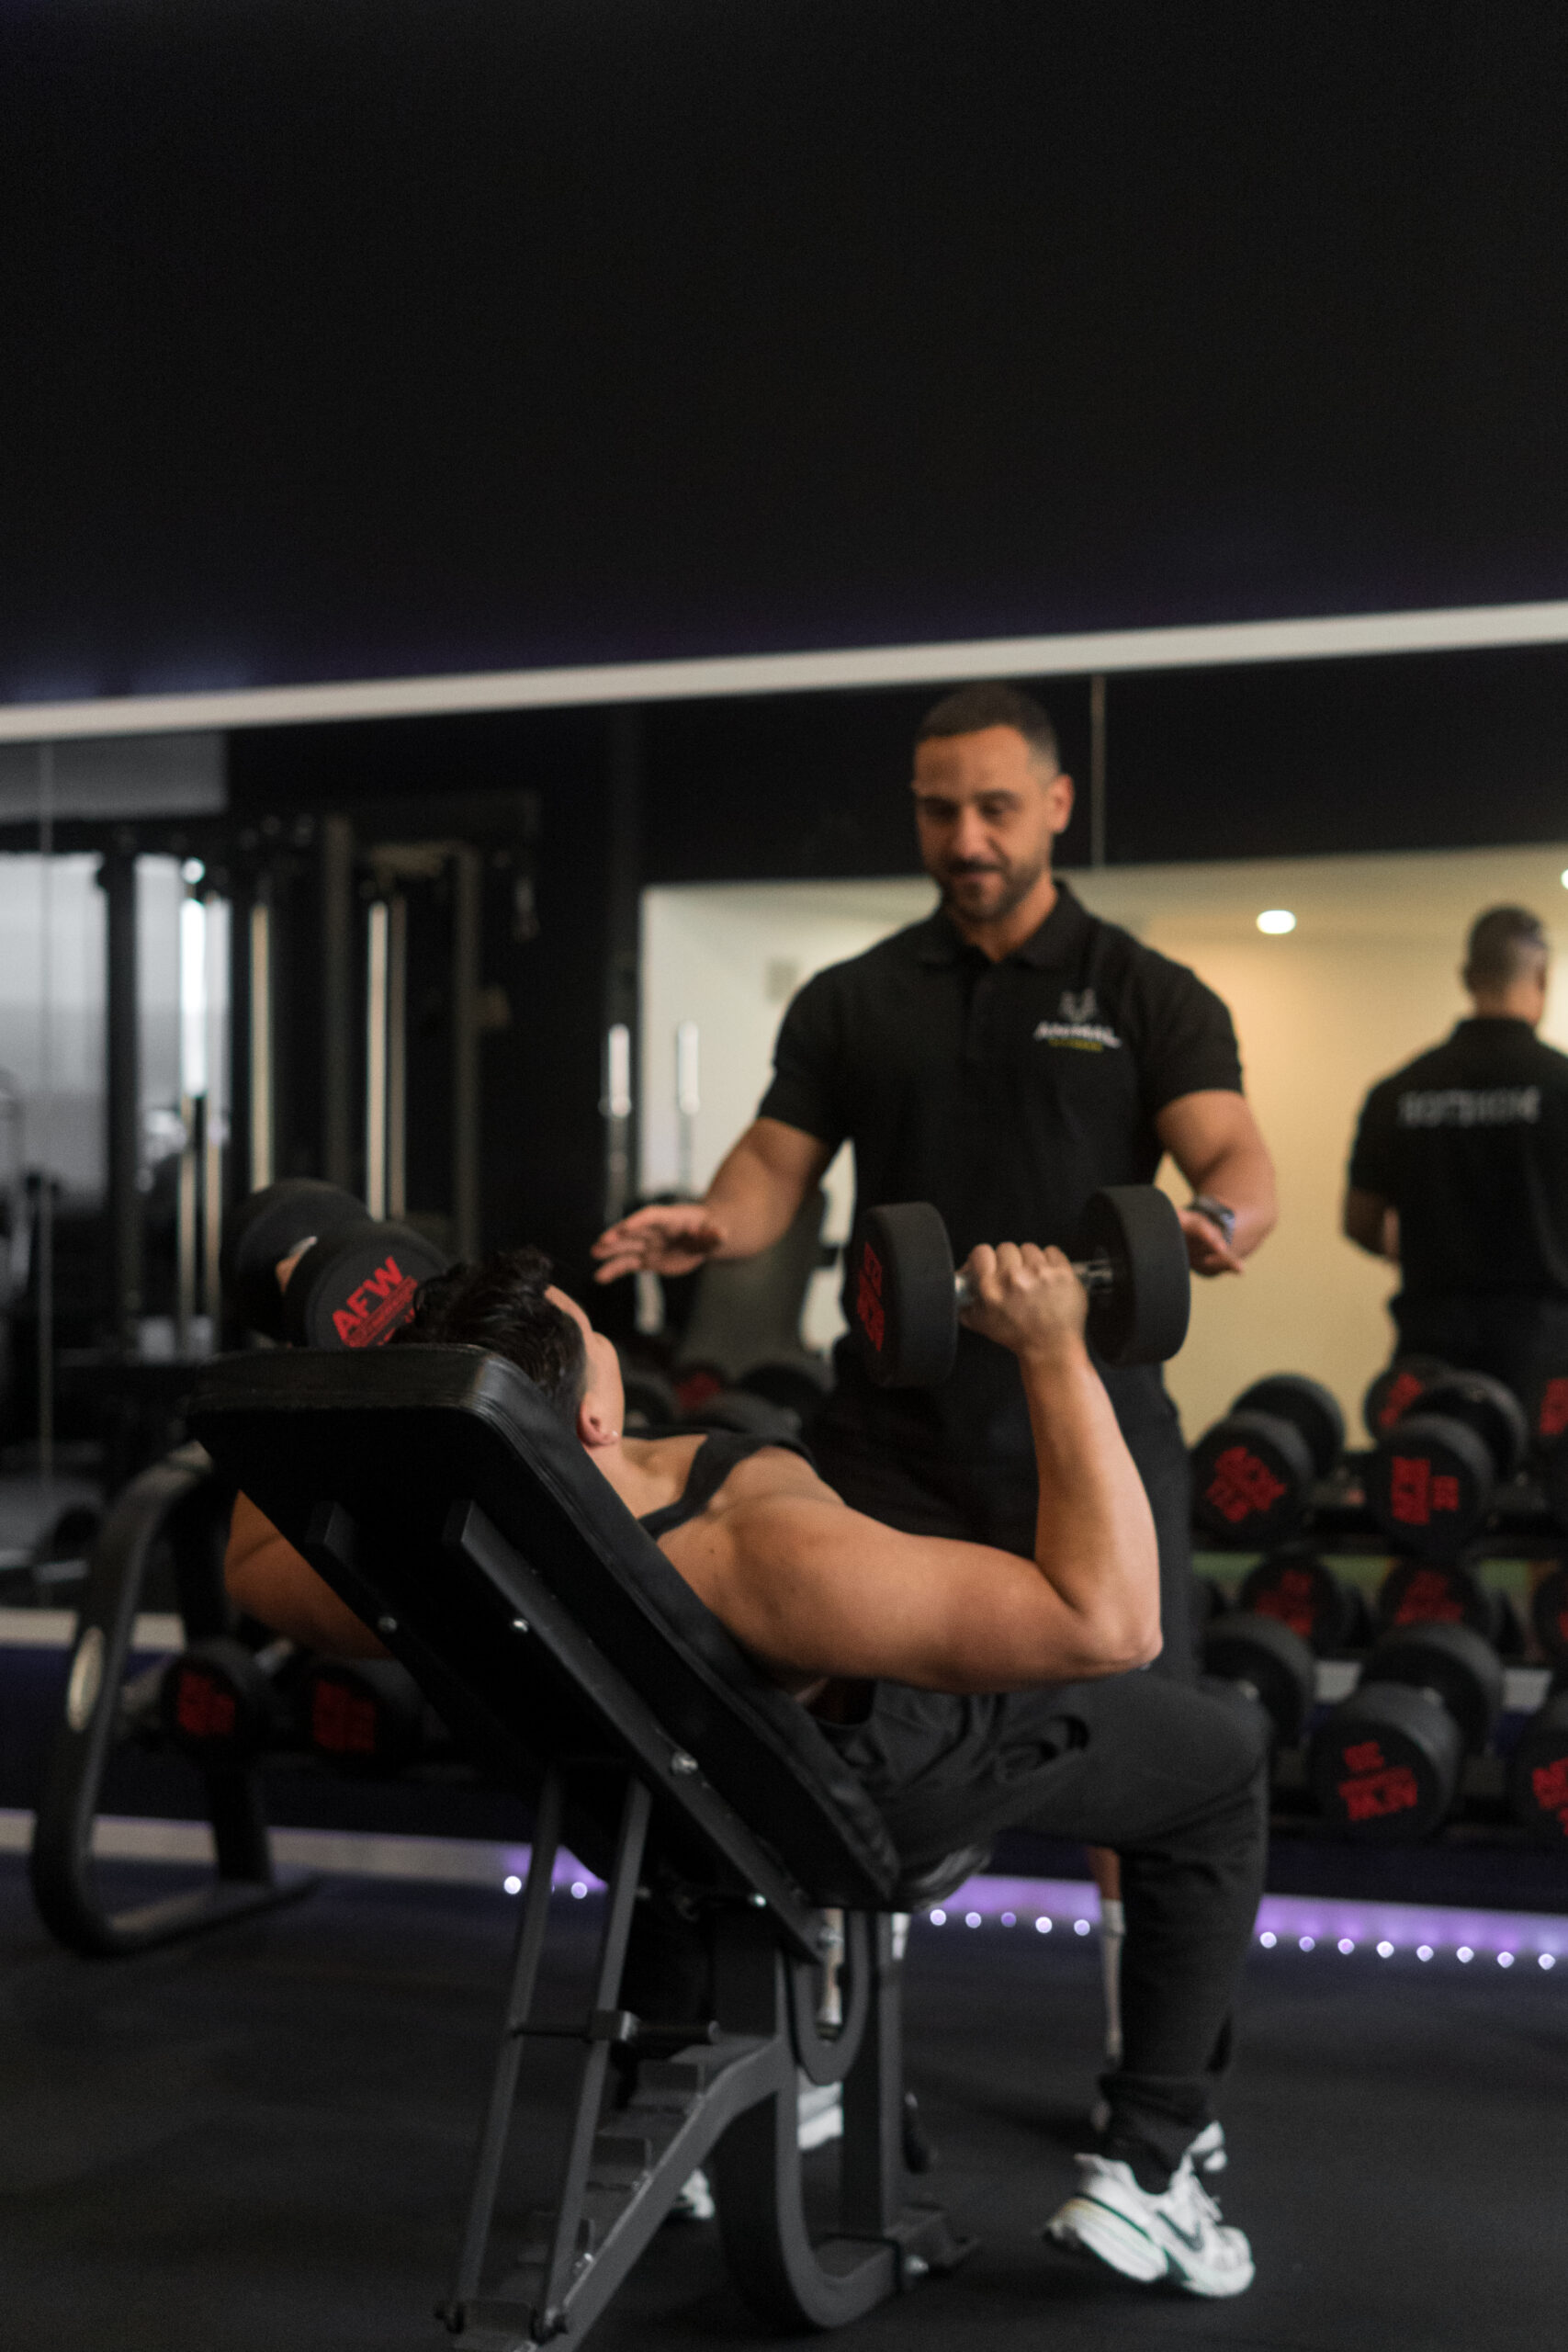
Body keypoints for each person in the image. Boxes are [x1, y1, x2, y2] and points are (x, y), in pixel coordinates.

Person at [227, 1243, 1266, 2299]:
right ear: (590, 1414)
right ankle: (1151, 2167)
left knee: (673, 1778)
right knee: (1218, 1762)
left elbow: (253, 1564)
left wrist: (331, 1335)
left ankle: (671, 2091)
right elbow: (1116, 1622)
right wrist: (1053, 1350)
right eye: (594, 1332)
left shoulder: (424, 1553)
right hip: (847, 1792)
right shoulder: (753, 1543)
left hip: (662, 1801)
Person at [592, 681, 1277, 1682]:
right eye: (938, 809)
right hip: (893, 1438)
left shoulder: (1147, 992)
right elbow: (773, 1164)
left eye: (995, 807)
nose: (965, 839)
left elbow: (1236, 1156)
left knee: (1137, 1745)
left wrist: (1215, 1218)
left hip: (1096, 1430)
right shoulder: (853, 999)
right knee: (866, 1740)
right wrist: (715, 1223)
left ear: (1056, 804)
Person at [1345, 904, 1568, 1398]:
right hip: (1547, 1355)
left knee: (1437, 1467)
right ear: (1543, 978)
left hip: (1431, 1349)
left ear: (1466, 977)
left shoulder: (1398, 1092)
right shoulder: (1562, 1085)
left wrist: (1424, 1248)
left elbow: (1359, 1222)